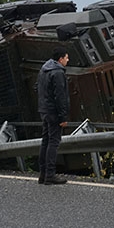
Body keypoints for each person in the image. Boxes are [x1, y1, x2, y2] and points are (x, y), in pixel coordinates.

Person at [37, 47, 70, 185]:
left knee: (45, 141)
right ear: (60, 59)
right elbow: (60, 96)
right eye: (67, 57)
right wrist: (63, 117)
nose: (68, 60)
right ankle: (50, 175)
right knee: (53, 142)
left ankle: (43, 174)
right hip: (54, 113)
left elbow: (37, 88)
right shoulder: (57, 73)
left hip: (44, 110)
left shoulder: (44, 70)